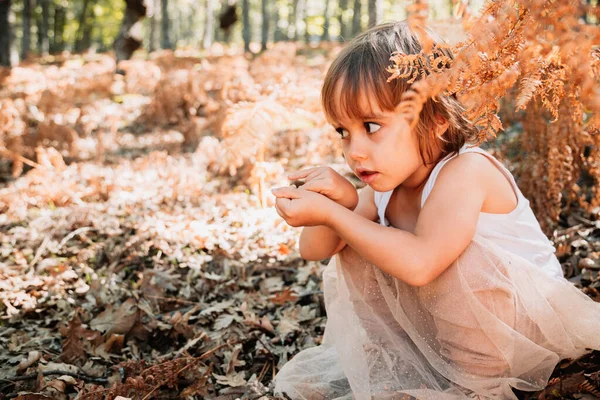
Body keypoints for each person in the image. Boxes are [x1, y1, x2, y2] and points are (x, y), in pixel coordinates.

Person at [270, 20, 600, 400]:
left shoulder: (466, 171)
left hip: (522, 331)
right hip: (448, 339)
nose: (354, 150)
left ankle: (476, 387)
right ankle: (403, 366)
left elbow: (422, 263)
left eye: (371, 126)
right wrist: (339, 204)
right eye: (343, 132)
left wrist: (337, 216)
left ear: (437, 120)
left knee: (454, 258)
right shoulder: (385, 187)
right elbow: (314, 250)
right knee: (355, 242)